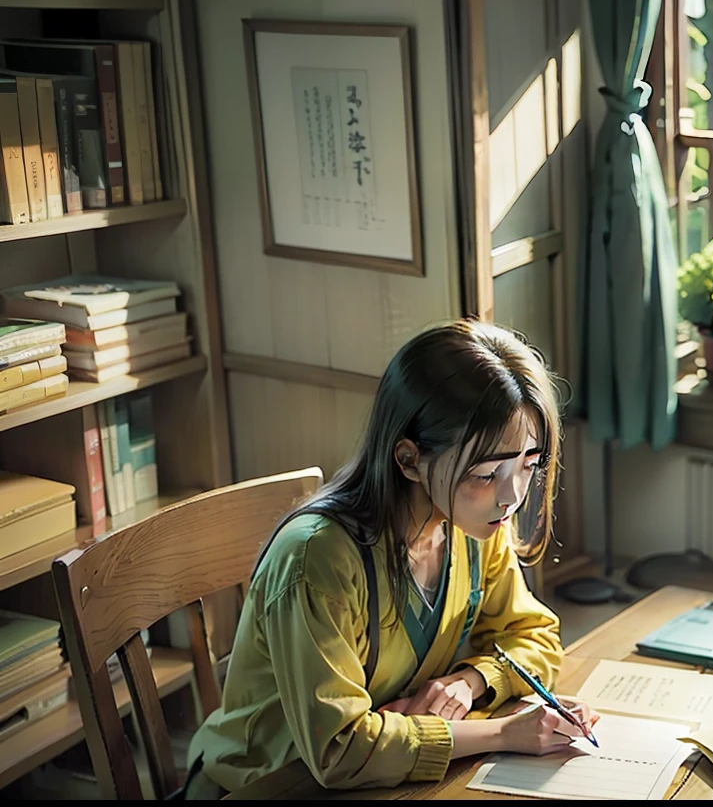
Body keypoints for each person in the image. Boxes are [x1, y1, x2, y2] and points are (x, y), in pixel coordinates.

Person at [185, 319, 598, 797]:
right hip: (271, 784)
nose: (513, 497)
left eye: (528, 467)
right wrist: (506, 733)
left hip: (386, 780)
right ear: (408, 459)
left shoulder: (472, 525)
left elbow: (534, 637)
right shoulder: (316, 559)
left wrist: (472, 681)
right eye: (486, 474)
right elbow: (339, 751)